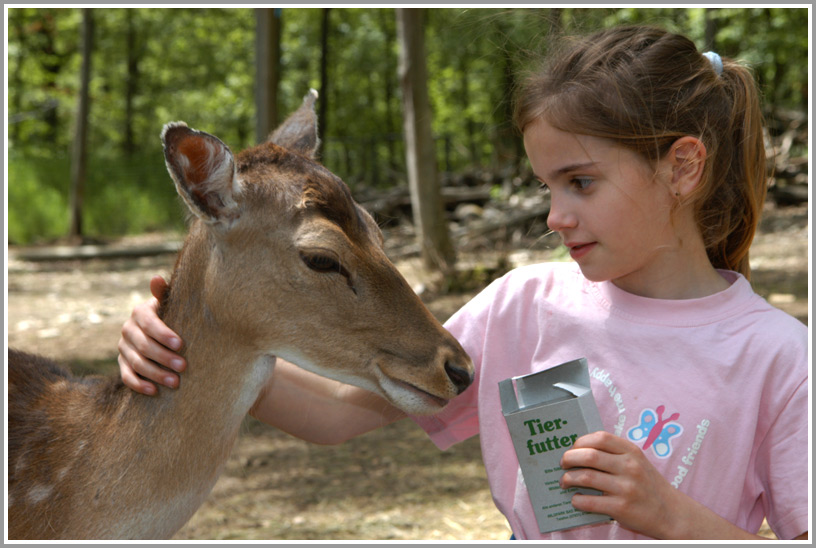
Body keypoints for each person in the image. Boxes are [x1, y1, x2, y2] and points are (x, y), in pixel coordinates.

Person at [117, 25, 808, 540]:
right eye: (546, 184)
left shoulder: (781, 359)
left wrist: (674, 518)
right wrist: (183, 351)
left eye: (580, 183)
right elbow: (334, 412)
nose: (553, 214)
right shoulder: (526, 305)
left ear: (683, 167)